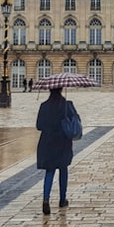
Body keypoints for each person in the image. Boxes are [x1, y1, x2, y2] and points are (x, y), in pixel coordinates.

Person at [36, 86, 79, 215]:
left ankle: (45, 199)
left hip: (47, 142)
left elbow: (39, 126)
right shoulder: (67, 105)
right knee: (63, 169)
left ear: (50, 90)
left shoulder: (44, 106)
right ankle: (62, 199)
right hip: (63, 141)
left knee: (49, 171)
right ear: (61, 90)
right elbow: (75, 121)